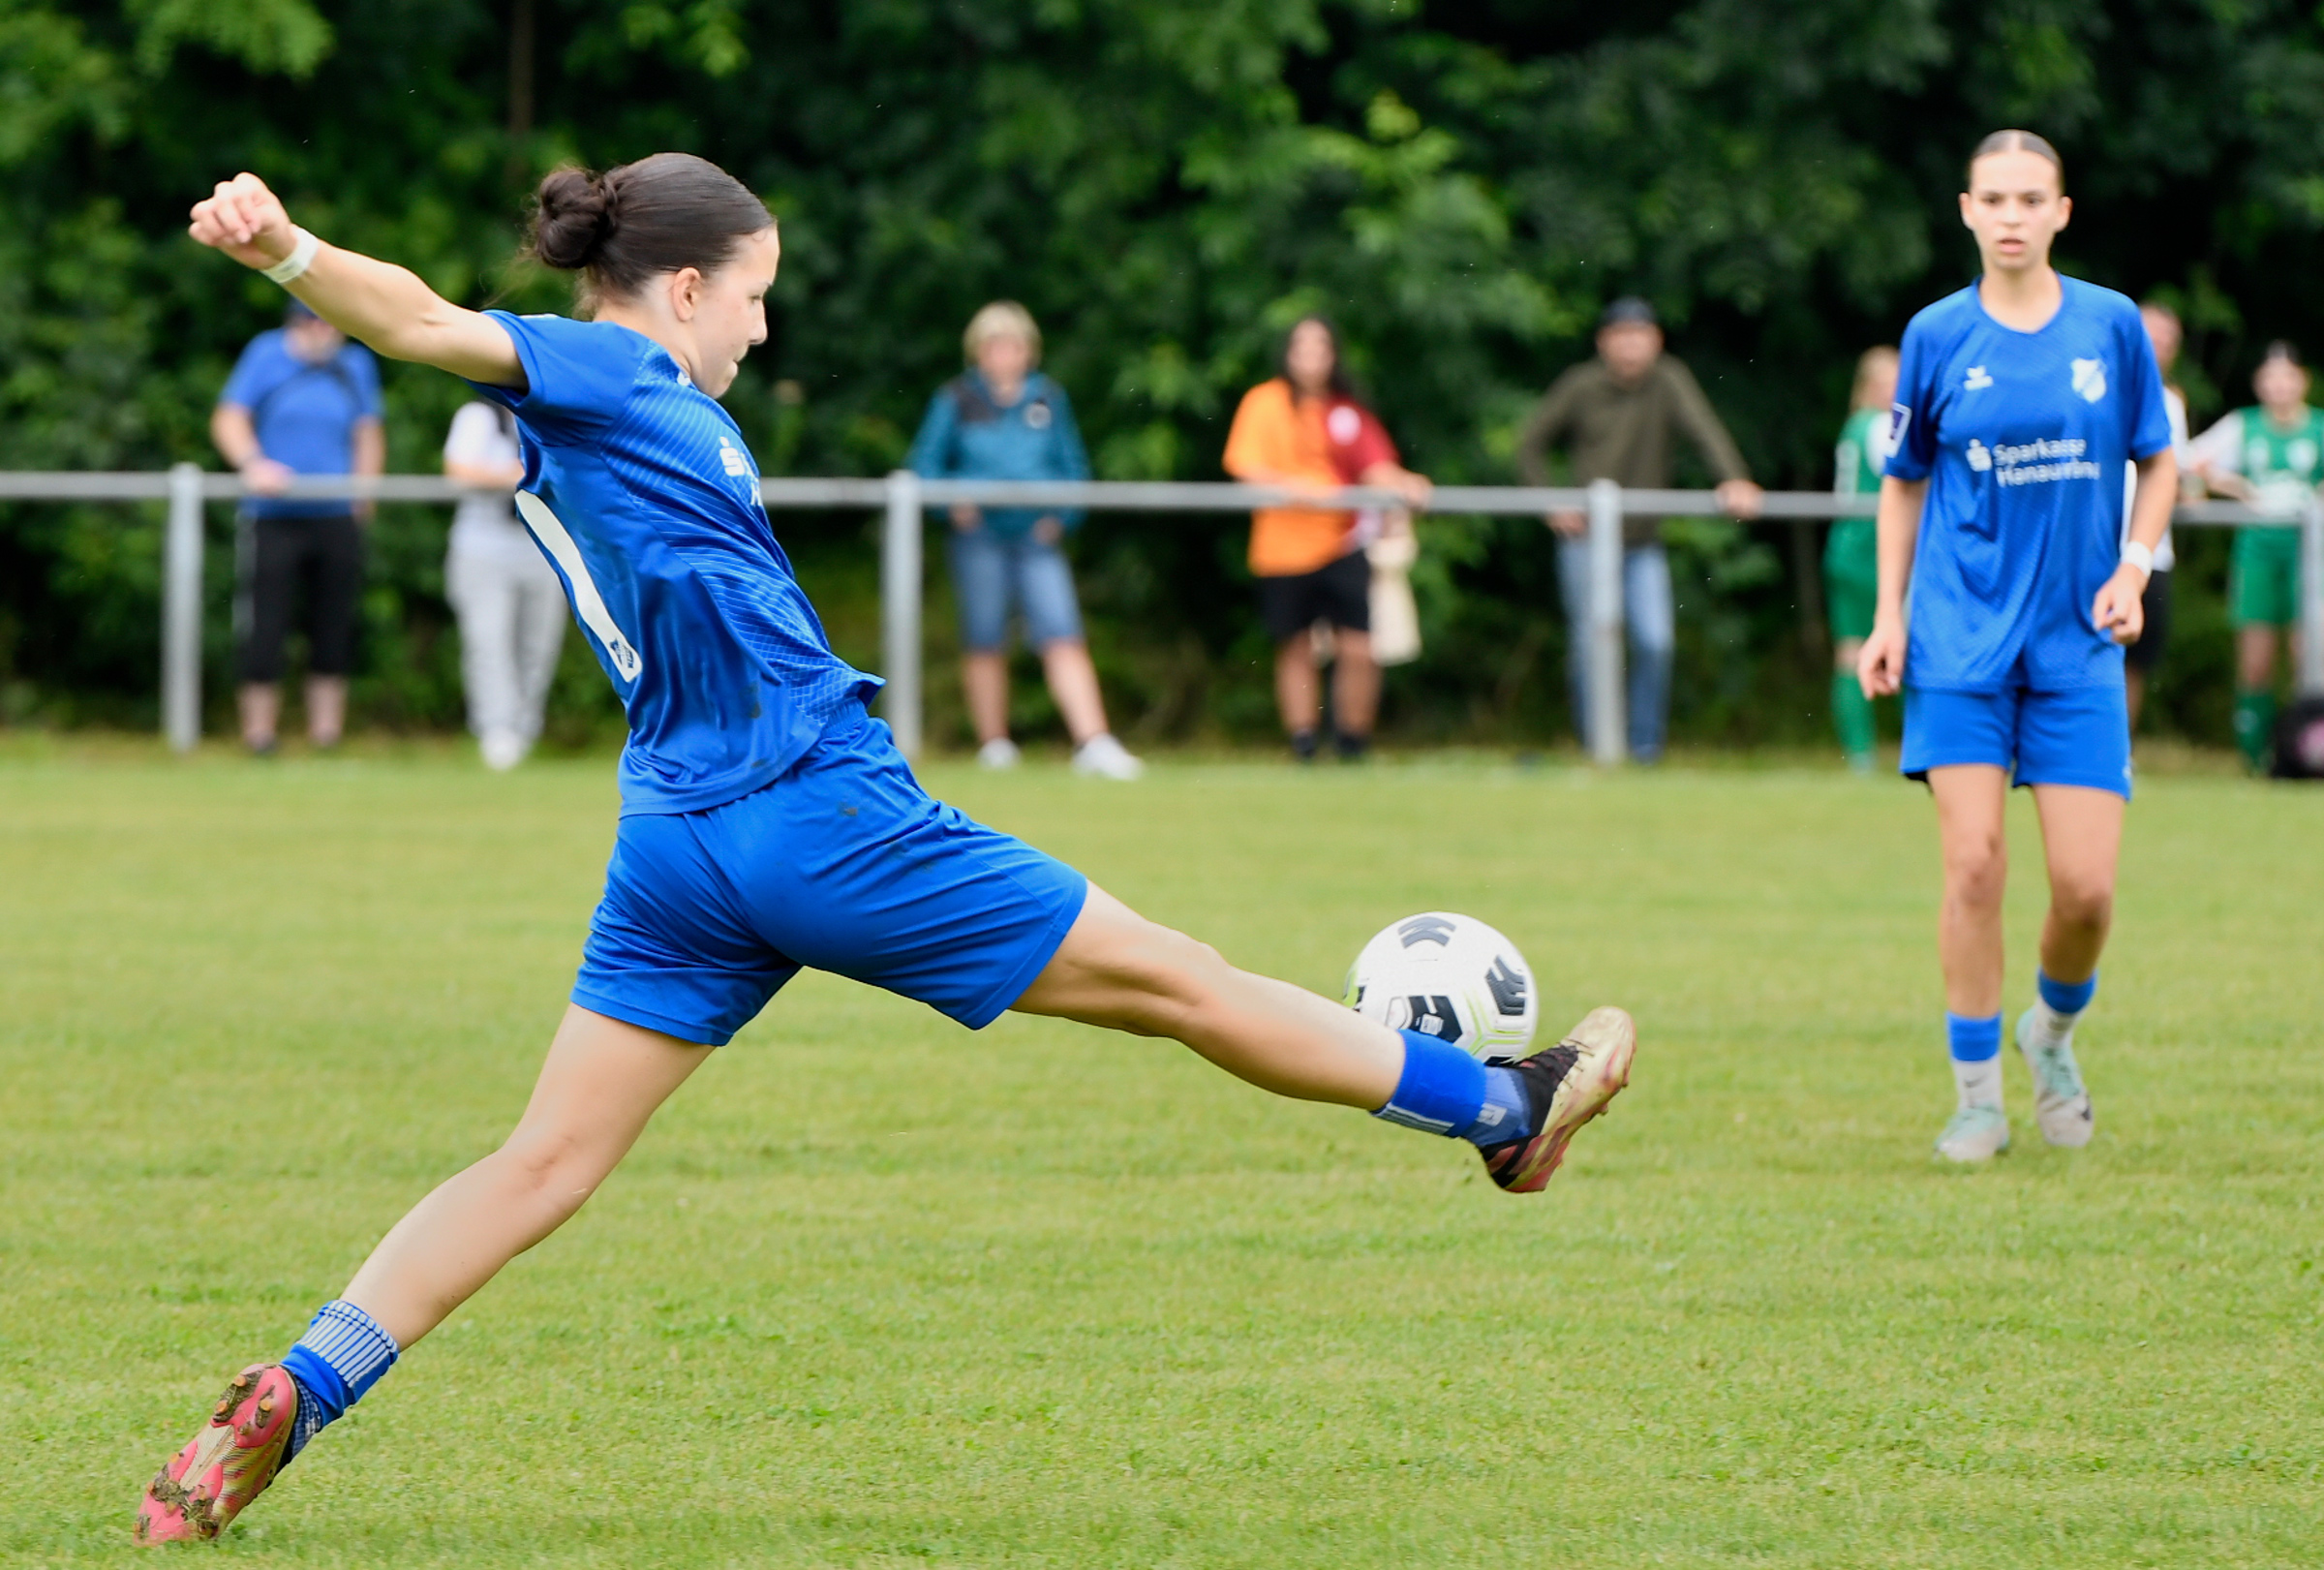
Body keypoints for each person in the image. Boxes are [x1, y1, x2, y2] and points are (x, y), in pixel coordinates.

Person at [138, 157, 1635, 1544]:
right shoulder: (612, 367)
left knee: (542, 1160)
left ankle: (301, 1386)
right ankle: (1501, 1109)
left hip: (675, 840)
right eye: (755, 293)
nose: (762, 326)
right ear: (683, 288)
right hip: (818, 808)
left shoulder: (614, 407)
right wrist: (288, 252)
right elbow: (419, 321)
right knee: (1182, 981)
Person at [1858, 130, 2176, 1164]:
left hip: (2078, 647)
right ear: (1966, 210)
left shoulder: (2111, 325)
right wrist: (1889, 615)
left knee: (2086, 891)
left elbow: (2159, 462)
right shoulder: (1935, 334)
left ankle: (2052, 1033)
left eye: (2030, 199)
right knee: (1975, 864)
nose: (2010, 216)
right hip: (1958, 643)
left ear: (2061, 212)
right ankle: (1976, 1099)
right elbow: (1903, 482)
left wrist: (2133, 567)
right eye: (1992, 198)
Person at [1515, 297, 1763, 763]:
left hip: (1643, 542)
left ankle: (1644, 748)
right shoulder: (1580, 384)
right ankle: (1598, 747)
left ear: (1657, 341)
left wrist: (1733, 478)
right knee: (1591, 644)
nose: (1631, 345)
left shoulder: (1669, 379)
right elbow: (1530, 444)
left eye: (1640, 335)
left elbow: (1704, 430)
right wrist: (1550, 501)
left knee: (1655, 641)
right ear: (1603, 342)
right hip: (1587, 540)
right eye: (1622, 335)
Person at [905, 302, 1141, 780]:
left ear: (1028, 351)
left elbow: (1073, 468)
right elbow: (924, 467)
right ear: (978, 351)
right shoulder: (955, 399)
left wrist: (1062, 517)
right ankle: (995, 745)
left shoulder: (1048, 398)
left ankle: (1094, 741)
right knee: (984, 637)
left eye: (1012, 346)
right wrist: (952, 504)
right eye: (993, 346)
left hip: (1037, 537)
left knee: (1062, 632)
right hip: (978, 537)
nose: (1003, 355)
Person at [1222, 317, 1431, 761]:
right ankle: (1303, 743)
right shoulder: (1265, 402)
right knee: (1295, 645)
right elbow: (1244, 465)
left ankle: (1353, 743)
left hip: (1342, 540)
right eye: (1302, 347)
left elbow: (1374, 465)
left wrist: (1406, 483)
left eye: (1321, 347)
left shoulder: (1345, 411)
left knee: (1358, 645)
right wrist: (1294, 488)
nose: (1311, 357)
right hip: (1282, 547)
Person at [211, 298, 384, 754]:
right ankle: (259, 736)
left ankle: (326, 735)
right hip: (272, 515)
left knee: (333, 625)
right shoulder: (265, 353)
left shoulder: (355, 364)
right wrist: (253, 464)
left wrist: (364, 495)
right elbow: (229, 417)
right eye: (314, 321)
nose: (324, 331)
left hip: (335, 514)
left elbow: (367, 431)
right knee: (265, 626)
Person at [2187, 342, 2319, 770]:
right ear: (2259, 384)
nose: (2280, 386)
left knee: (2307, 657)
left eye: (2288, 377)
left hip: (2309, 555)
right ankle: (2254, 758)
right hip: (2257, 550)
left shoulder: (2318, 428)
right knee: (2255, 661)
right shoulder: (2244, 425)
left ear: (2303, 381)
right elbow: (2190, 460)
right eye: (2271, 377)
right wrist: (2238, 487)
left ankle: (2303, 754)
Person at [443, 400, 567, 769]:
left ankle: (525, 732)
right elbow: (459, 471)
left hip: (543, 546)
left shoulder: (554, 416)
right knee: (488, 641)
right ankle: (496, 732)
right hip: (484, 548)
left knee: (538, 645)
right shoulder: (478, 416)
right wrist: (519, 475)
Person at [1826, 347, 1899, 772]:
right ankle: (1918, 746)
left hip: (1844, 548)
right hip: (1874, 550)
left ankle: (1860, 757)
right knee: (1904, 646)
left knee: (1852, 651)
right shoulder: (1881, 425)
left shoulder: (1853, 425)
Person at [2125, 301, 2192, 732]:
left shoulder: (2171, 403)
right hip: (2097, 545)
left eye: (2168, 340)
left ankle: (2119, 751)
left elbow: (2174, 472)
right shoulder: (2096, 387)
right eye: (2152, 334)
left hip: (2150, 551)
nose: (2159, 345)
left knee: (2137, 658)